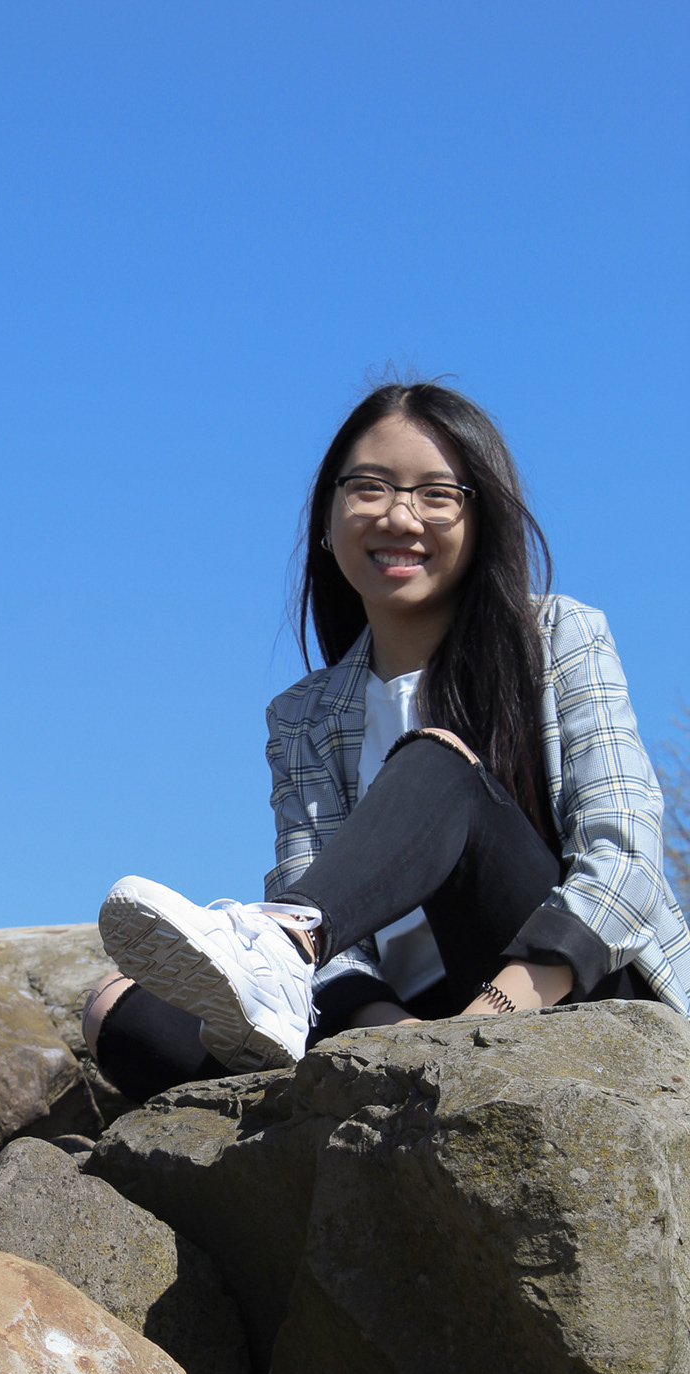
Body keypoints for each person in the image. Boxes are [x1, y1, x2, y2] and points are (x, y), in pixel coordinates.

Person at [83, 381, 690, 1103]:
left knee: (436, 764)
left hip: (563, 995)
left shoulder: (559, 637)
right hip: (400, 1026)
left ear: (480, 518)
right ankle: (362, 1081)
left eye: (437, 495)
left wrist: (479, 1025)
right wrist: (399, 1041)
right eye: (369, 488)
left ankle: (284, 954)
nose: (400, 516)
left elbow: (625, 861)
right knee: (117, 1006)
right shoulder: (304, 716)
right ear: (327, 519)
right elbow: (315, 893)